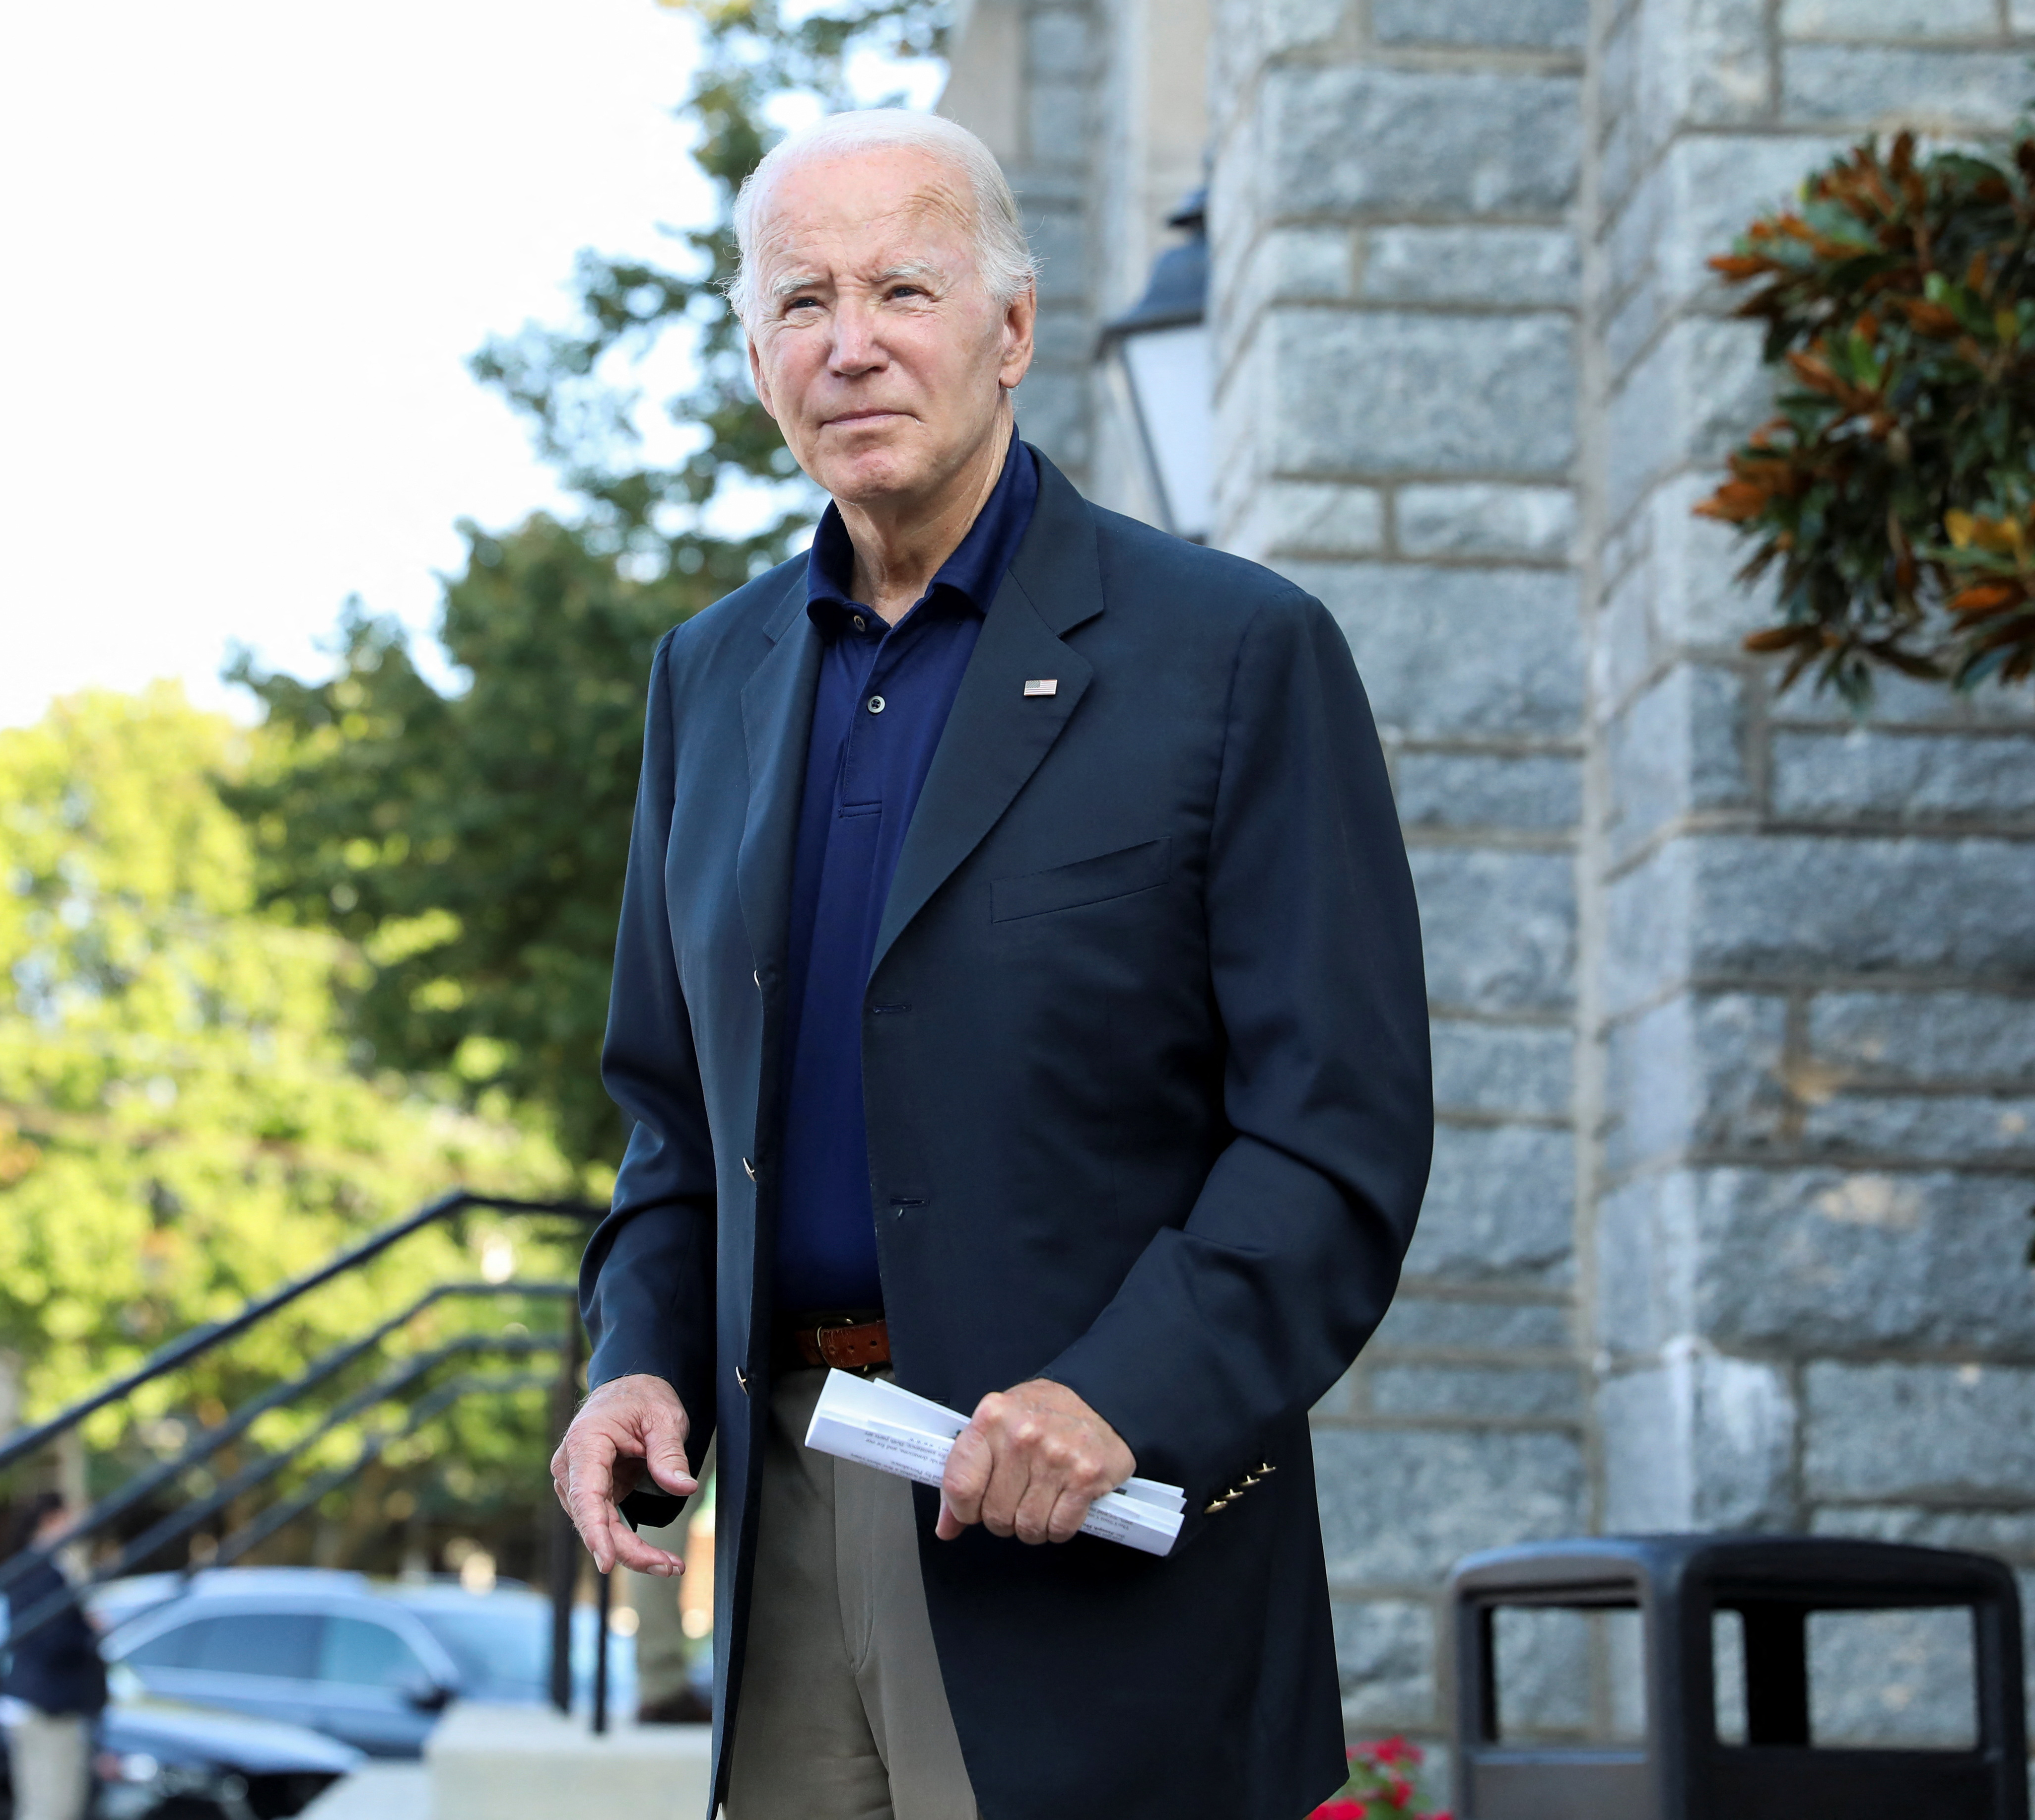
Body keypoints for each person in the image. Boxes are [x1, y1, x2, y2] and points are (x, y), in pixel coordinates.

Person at [549, 108, 1431, 1820]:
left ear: (1011, 327)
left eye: (903, 288)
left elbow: (1335, 1134)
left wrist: (1122, 1393)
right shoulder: (707, 680)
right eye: (801, 301)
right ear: (757, 357)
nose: (851, 342)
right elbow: (672, 1119)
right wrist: (636, 1356)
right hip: (790, 1520)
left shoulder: (1237, 652)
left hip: (1093, 1547)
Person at [0, 1492, 105, 1820]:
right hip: (51, 1704)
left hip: (33, 1698)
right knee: (55, 1805)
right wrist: (89, 1629)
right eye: (68, 1518)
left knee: (38, 1802)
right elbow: (54, 1641)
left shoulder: (28, 1566)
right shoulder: (46, 1573)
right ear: (51, 1520)